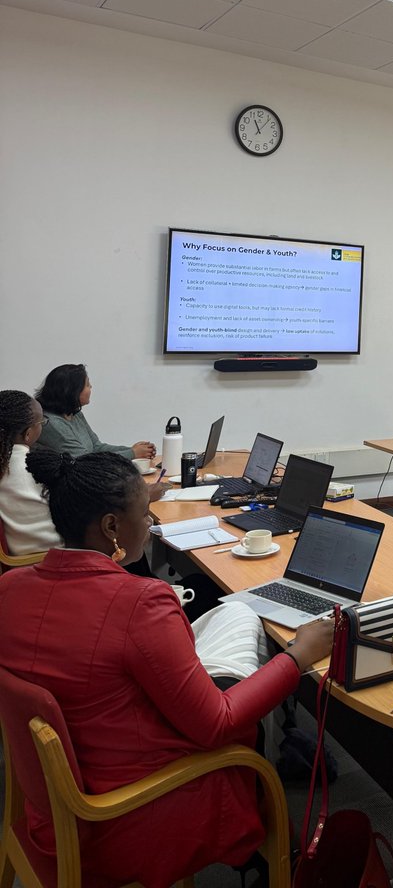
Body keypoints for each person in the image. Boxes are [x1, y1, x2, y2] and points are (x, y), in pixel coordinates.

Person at [0, 449, 333, 888]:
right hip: (125, 814)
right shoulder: (139, 603)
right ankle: (282, 851)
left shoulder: (9, 587)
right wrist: (299, 656)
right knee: (248, 710)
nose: (152, 522)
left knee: (230, 625)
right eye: (146, 512)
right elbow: (217, 724)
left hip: (56, 800)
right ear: (111, 527)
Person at [35, 363, 156, 461]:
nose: (91, 387)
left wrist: (136, 450)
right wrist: (132, 453)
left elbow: (97, 447)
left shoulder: (75, 414)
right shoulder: (51, 424)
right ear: (72, 391)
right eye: (87, 384)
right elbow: (85, 460)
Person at [0, 389, 62, 554]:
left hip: (20, 554)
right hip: (53, 555)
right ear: (28, 434)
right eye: (41, 423)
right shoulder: (35, 467)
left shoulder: (6, 463)